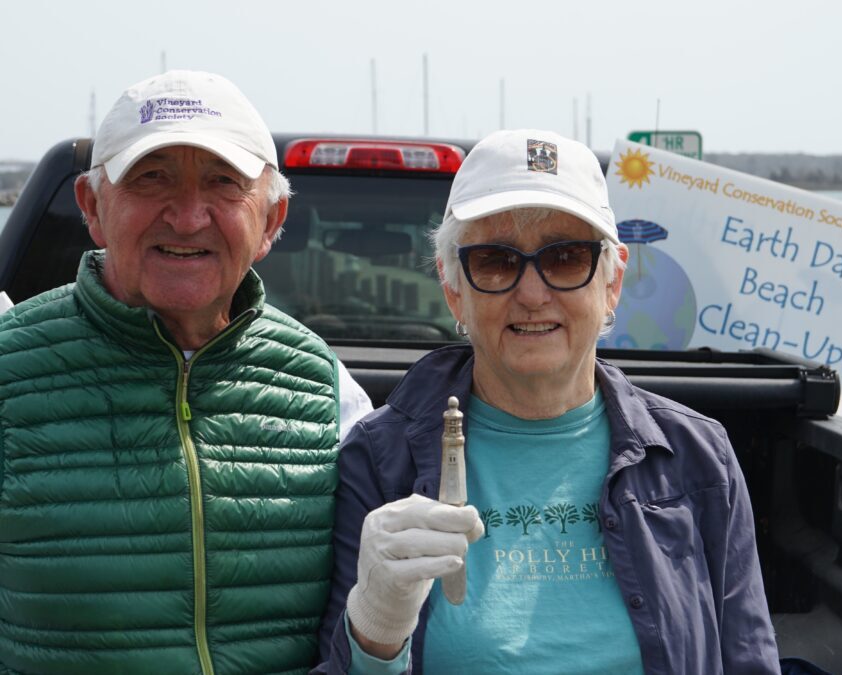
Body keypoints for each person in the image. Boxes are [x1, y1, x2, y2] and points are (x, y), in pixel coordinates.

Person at [316, 129, 781, 674]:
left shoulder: (698, 456)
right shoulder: (377, 459)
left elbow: (750, 661)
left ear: (612, 281)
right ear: (452, 288)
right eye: (494, 260)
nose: (532, 293)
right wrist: (374, 632)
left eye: (564, 257)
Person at [0, 70, 371, 674]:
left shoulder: (325, 386)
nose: (189, 215)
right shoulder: (9, 367)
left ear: (272, 221)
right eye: (153, 177)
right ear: (92, 207)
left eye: (224, 183)